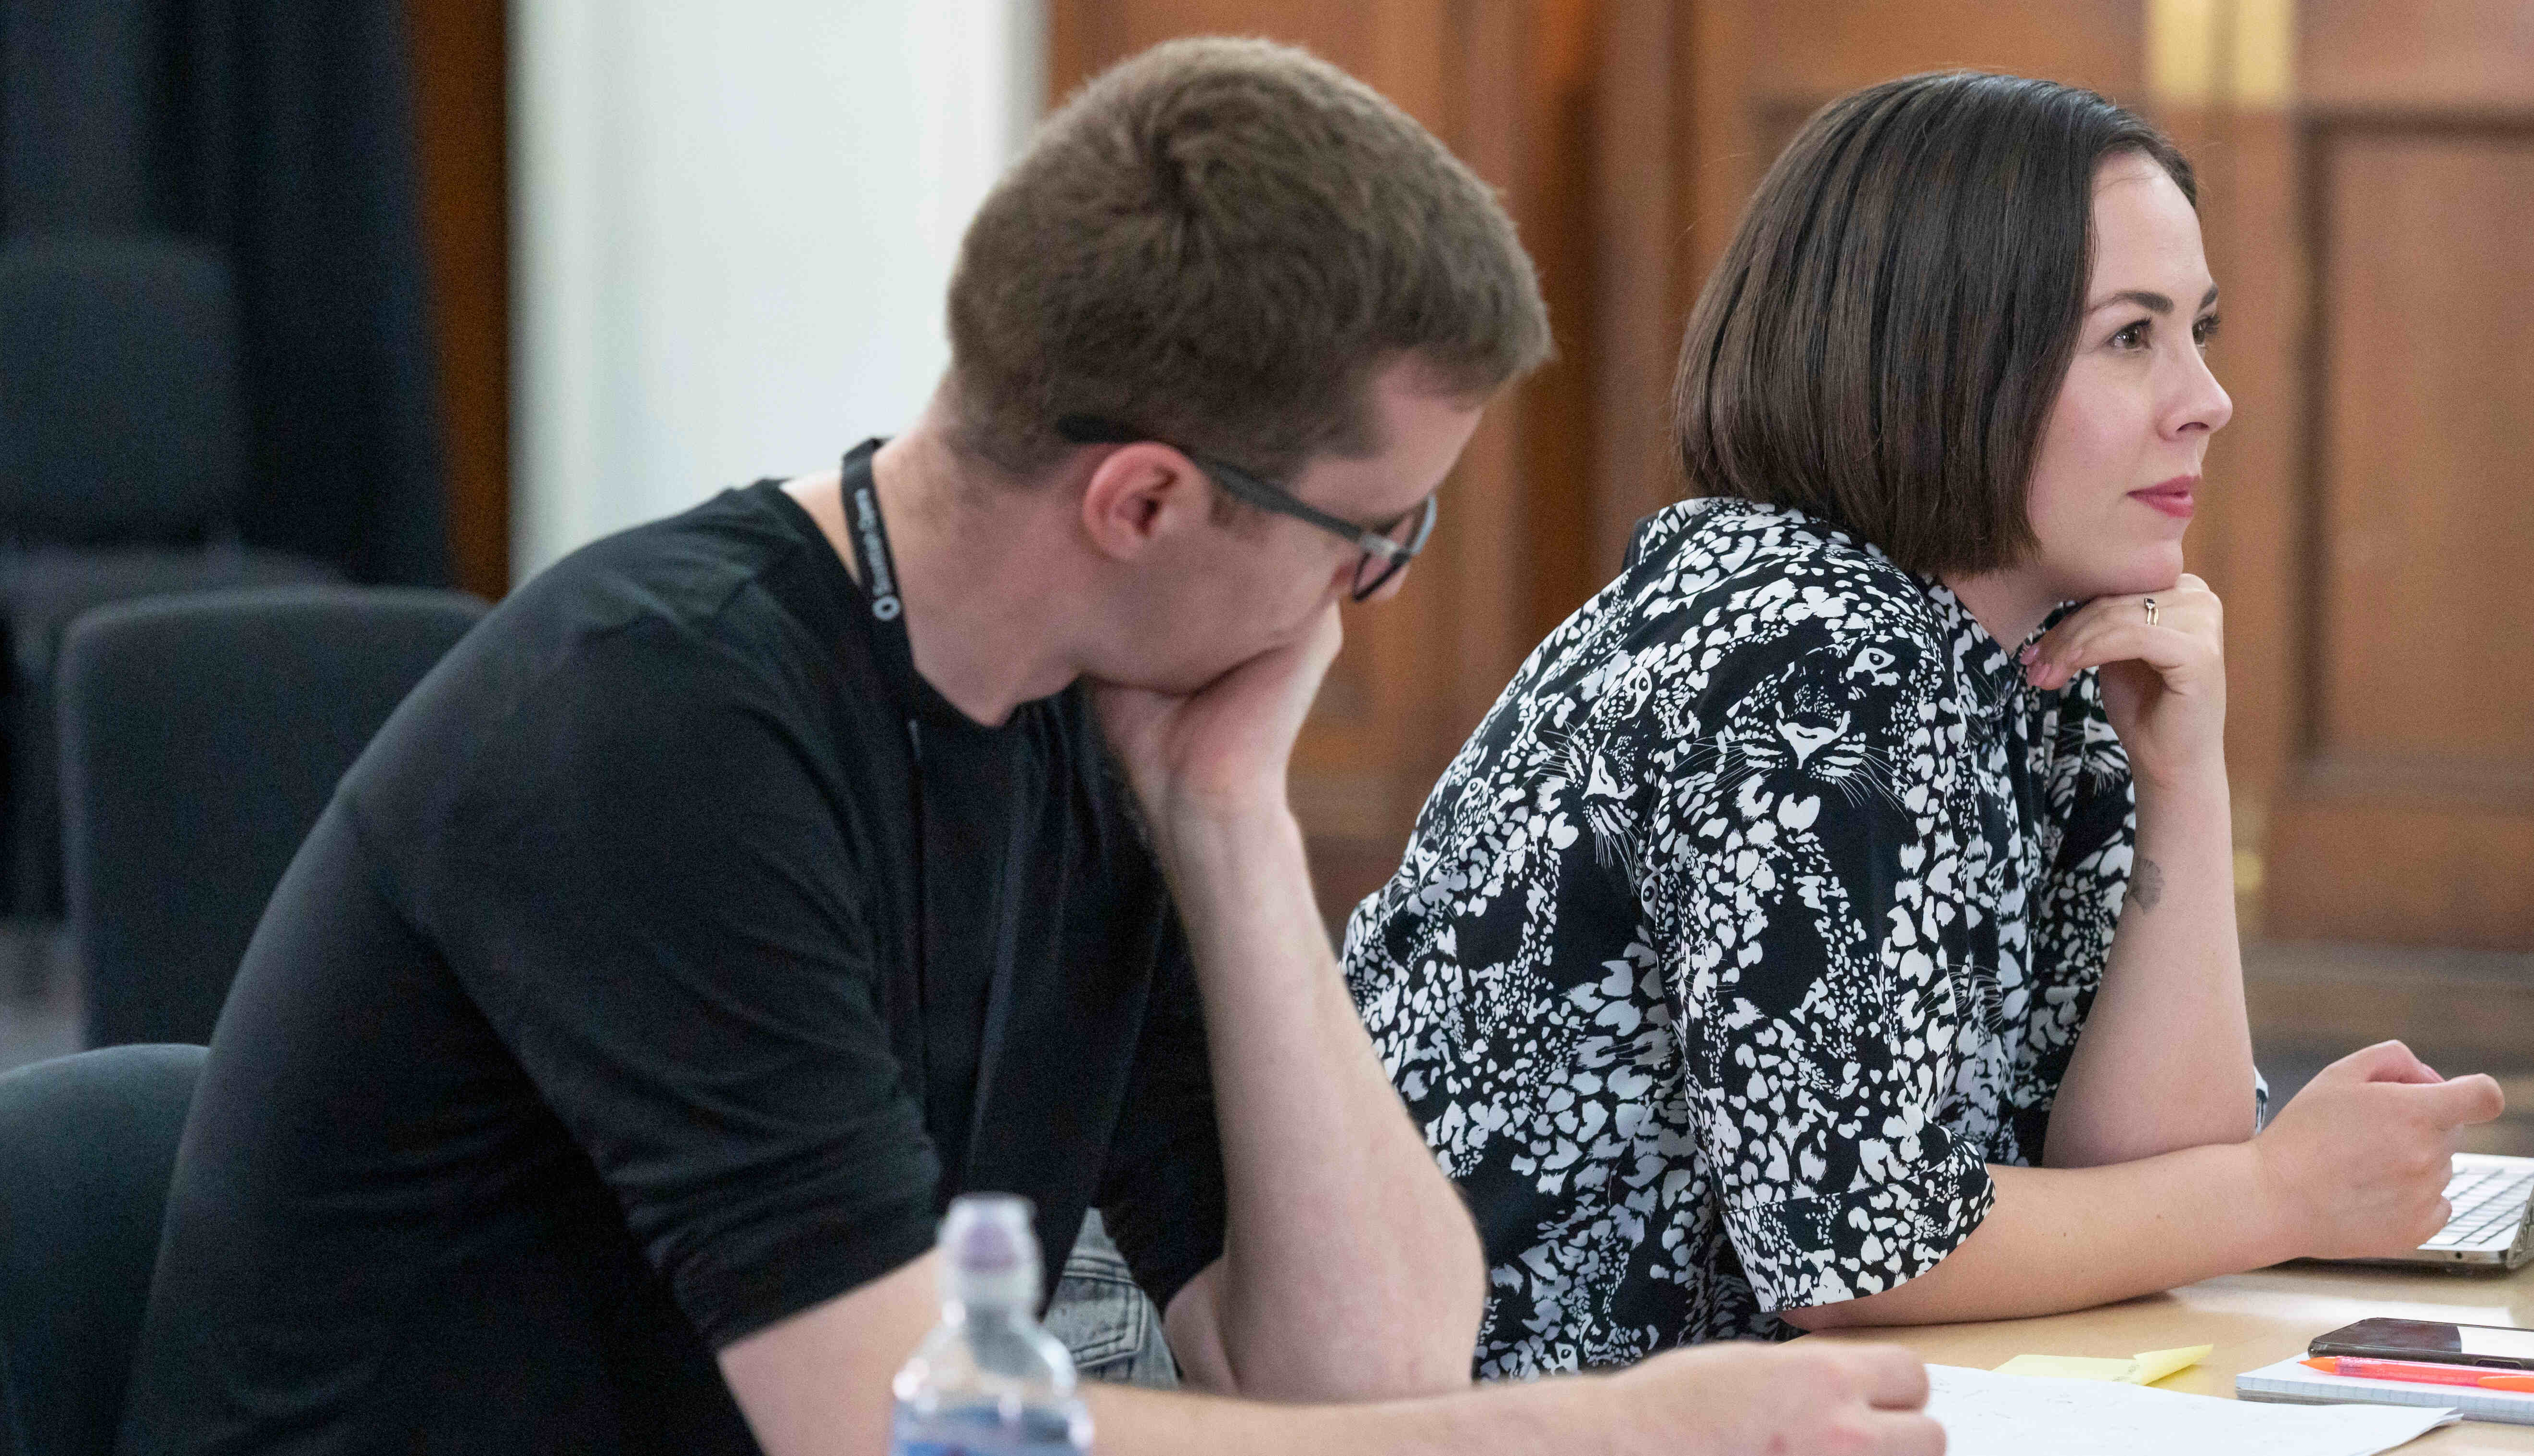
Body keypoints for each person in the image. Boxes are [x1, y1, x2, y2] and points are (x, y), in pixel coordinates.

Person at [118, 37, 1942, 1456]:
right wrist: (1596, 1428)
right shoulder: (655, 725)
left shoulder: (1091, 728)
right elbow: (889, 1424)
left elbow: (1356, 1371)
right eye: (1372, 536)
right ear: (1146, 501)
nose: (1364, 596)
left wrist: (1228, 830)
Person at [1341, 69, 2508, 1378]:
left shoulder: (2033, 639)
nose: (2204, 397)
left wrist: (2182, 774)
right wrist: (2284, 1193)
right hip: (1446, 1411)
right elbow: (1855, 1253)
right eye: (2131, 336)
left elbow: (2144, 1178)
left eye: (2198, 331)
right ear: (1946, 357)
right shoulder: (1807, 656)